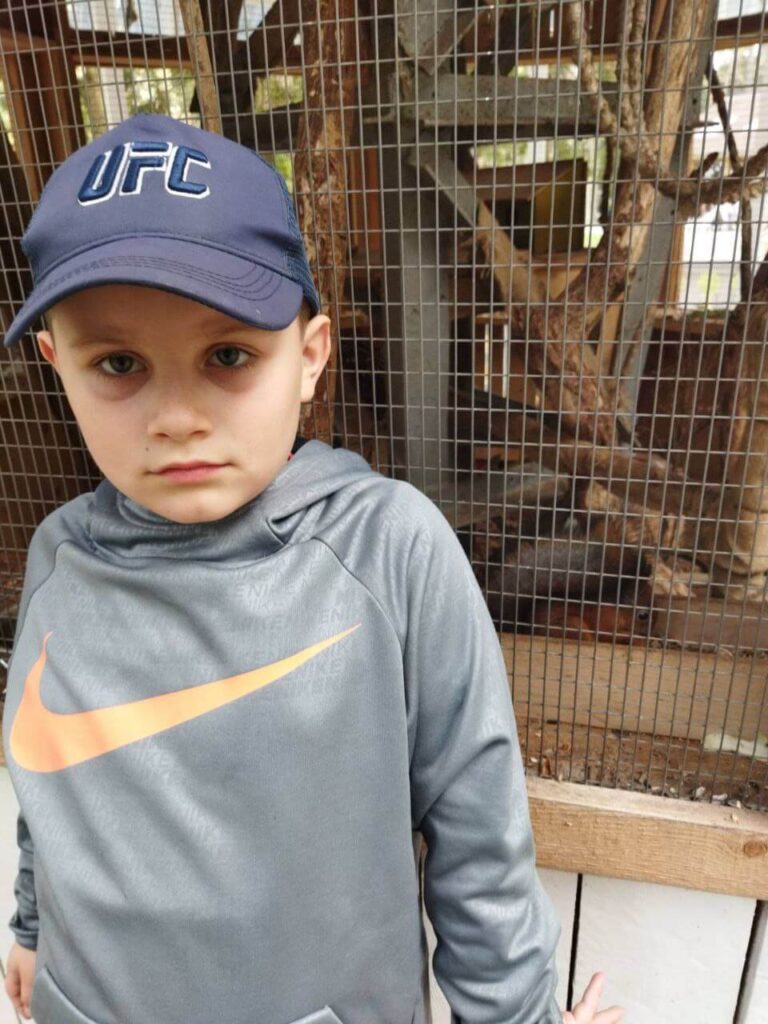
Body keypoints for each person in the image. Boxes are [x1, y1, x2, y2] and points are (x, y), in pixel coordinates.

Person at [1, 113, 623, 1024]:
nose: (176, 416)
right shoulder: (59, 555)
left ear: (310, 357)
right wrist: (29, 926)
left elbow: (479, 839)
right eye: (120, 363)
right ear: (57, 364)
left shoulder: (390, 551)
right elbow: (50, 765)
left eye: (228, 356)